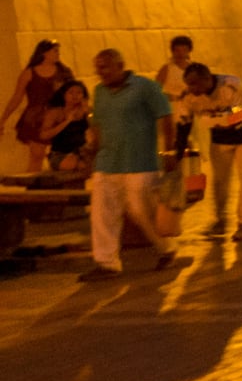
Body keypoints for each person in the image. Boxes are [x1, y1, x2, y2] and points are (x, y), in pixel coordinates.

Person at [80, 48, 180, 280]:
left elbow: (166, 116)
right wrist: (92, 153)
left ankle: (167, 248)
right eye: (98, 68)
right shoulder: (100, 91)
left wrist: (170, 151)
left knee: (141, 210)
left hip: (140, 161)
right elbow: (98, 125)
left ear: (120, 65)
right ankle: (107, 263)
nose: (101, 72)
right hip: (107, 162)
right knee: (102, 213)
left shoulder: (145, 87)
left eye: (105, 67)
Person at [176, 62, 242, 242]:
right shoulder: (189, 97)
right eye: (189, 84)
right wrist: (179, 150)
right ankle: (220, 219)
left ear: (207, 79)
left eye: (195, 84)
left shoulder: (230, 85)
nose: (192, 89)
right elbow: (184, 123)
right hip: (220, 137)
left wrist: (222, 121)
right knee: (220, 180)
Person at [5, 39, 72, 173]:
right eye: (55, 51)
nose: (58, 54)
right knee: (37, 155)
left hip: (57, 116)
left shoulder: (64, 72)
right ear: (44, 53)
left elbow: (74, 92)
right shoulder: (29, 73)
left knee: (62, 155)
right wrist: (4, 118)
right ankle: (33, 183)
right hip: (35, 119)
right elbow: (17, 97)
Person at [43, 79, 95, 173]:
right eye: (71, 92)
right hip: (60, 155)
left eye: (79, 93)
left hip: (82, 153)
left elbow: (96, 130)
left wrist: (87, 113)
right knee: (78, 165)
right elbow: (44, 135)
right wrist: (67, 121)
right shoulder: (56, 112)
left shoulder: (87, 111)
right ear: (64, 94)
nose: (75, 96)